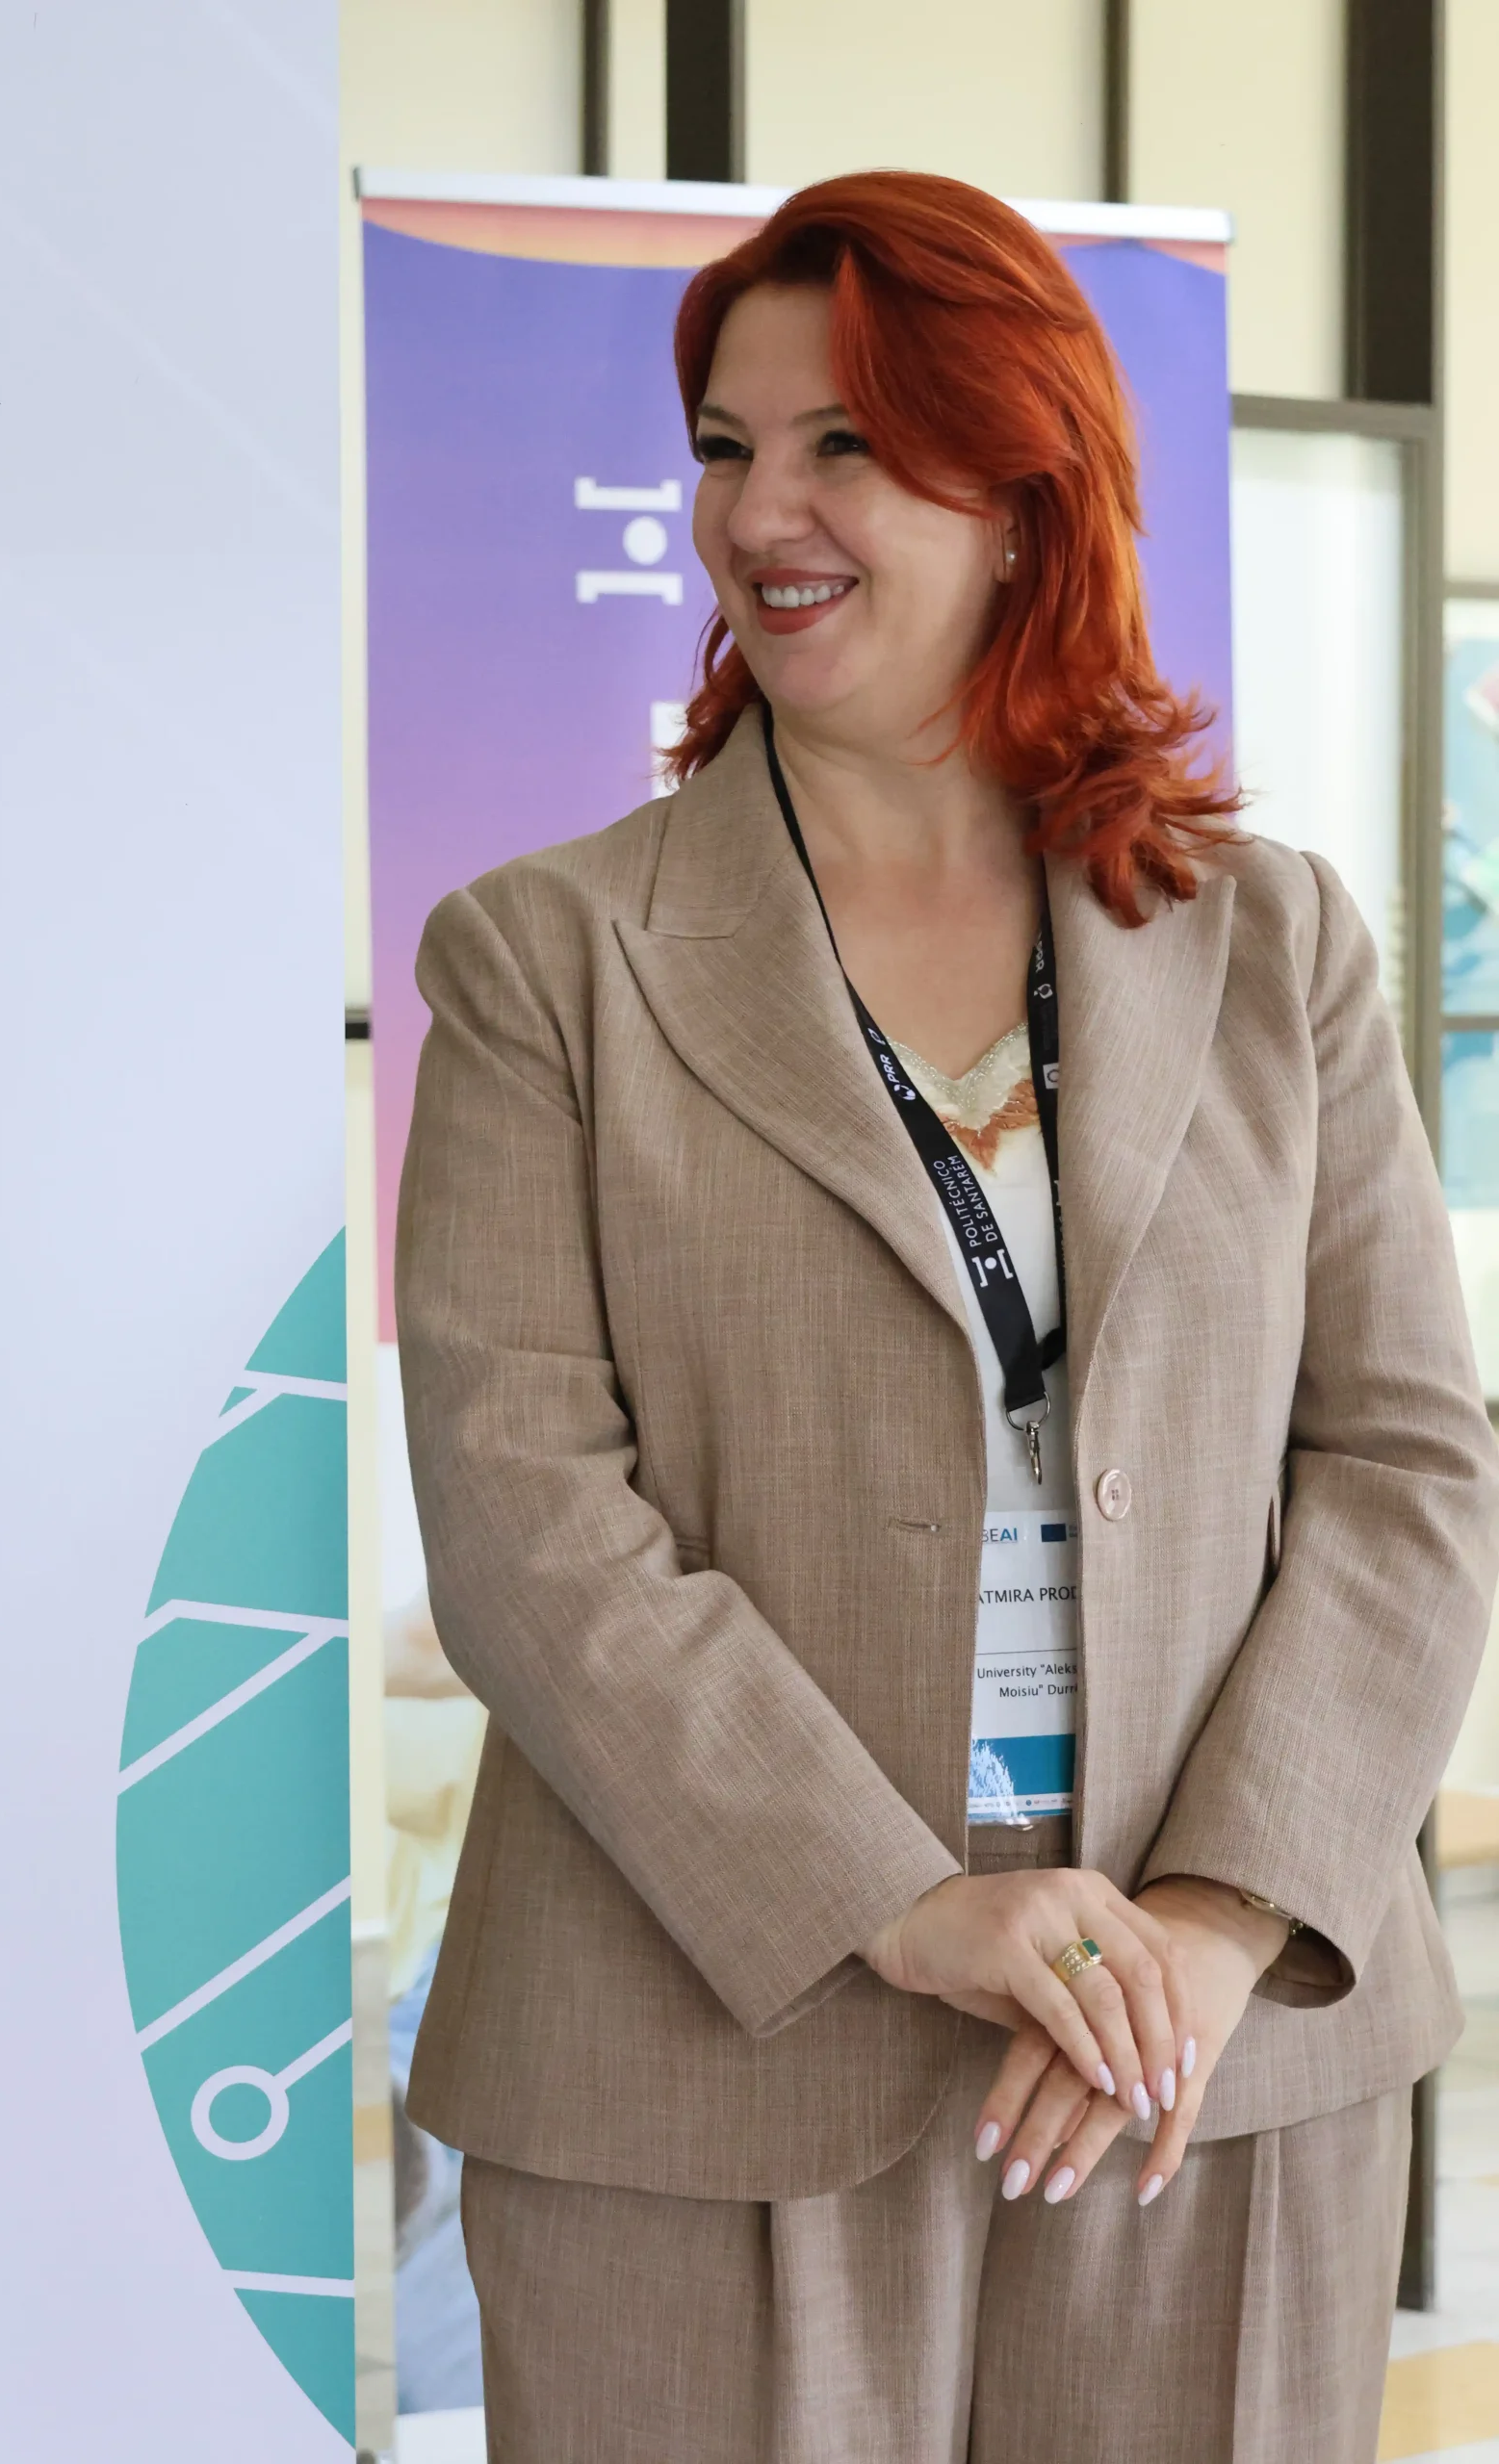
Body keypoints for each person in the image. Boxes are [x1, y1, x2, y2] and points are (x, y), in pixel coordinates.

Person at [394, 171, 1499, 2462]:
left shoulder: (1273, 943)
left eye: (846, 447)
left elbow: (1405, 1464)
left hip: (1197, 2051)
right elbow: (523, 1518)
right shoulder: (545, 959)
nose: (756, 512)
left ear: (1016, 497)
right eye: (726, 446)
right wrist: (896, 1900)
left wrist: (1213, 1917)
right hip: (699, 2036)